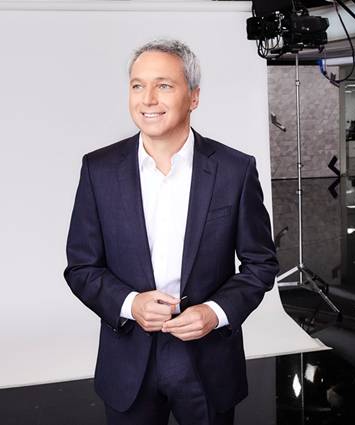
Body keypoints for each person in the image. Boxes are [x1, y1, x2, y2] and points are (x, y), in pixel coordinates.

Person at [64, 39, 278, 425]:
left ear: (194, 97)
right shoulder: (98, 169)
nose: (148, 99)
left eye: (163, 85)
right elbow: (81, 267)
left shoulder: (234, 170)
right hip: (129, 356)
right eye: (137, 85)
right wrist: (130, 304)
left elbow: (261, 264)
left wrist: (215, 313)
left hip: (207, 357)